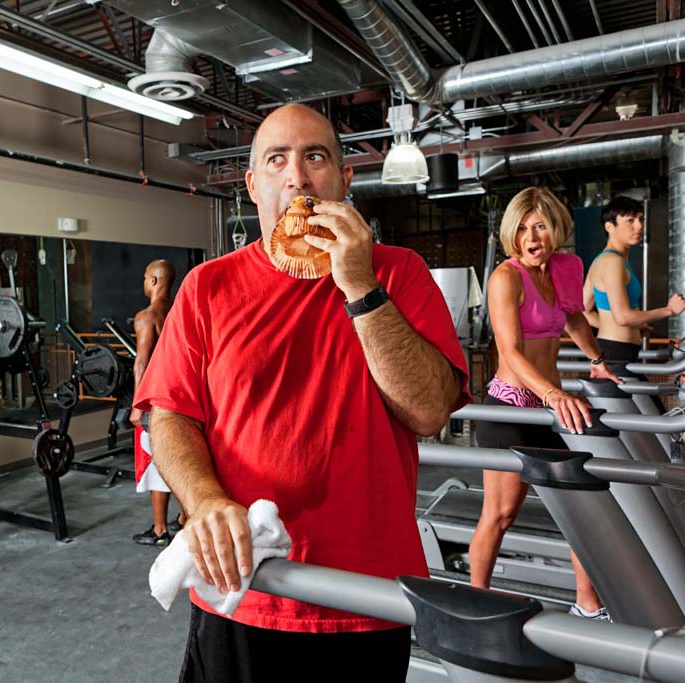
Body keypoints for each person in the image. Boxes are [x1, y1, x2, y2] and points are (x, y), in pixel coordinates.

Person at [133, 103, 470, 681]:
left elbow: (428, 411)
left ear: (345, 180)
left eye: (316, 157)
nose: (298, 177)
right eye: (276, 160)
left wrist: (360, 285)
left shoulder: (400, 272)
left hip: (365, 599)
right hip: (243, 585)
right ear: (253, 186)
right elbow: (167, 414)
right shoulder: (205, 288)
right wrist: (206, 499)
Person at [468, 187, 619, 621]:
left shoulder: (566, 268)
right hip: (511, 409)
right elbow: (510, 351)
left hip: (550, 411)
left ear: (555, 229)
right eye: (521, 228)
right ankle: (478, 601)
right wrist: (553, 392)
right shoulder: (506, 277)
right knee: (500, 515)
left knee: (579, 506)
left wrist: (598, 362)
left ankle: (587, 604)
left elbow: (572, 317)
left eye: (539, 226)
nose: (531, 237)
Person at [583, 196, 685, 377]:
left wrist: (623, 328)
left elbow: (583, 310)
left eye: (641, 219)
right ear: (610, 227)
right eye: (630, 220)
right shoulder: (613, 262)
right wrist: (669, 310)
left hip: (615, 350)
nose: (639, 226)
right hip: (616, 354)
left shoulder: (602, 260)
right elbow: (623, 317)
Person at [129, 259, 185, 547]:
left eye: (144, 277)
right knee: (183, 456)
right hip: (181, 397)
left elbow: (142, 363)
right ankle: (185, 517)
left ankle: (160, 530)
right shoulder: (179, 311)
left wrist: (138, 405)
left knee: (156, 464)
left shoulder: (146, 316)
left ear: (153, 281)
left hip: (156, 400)